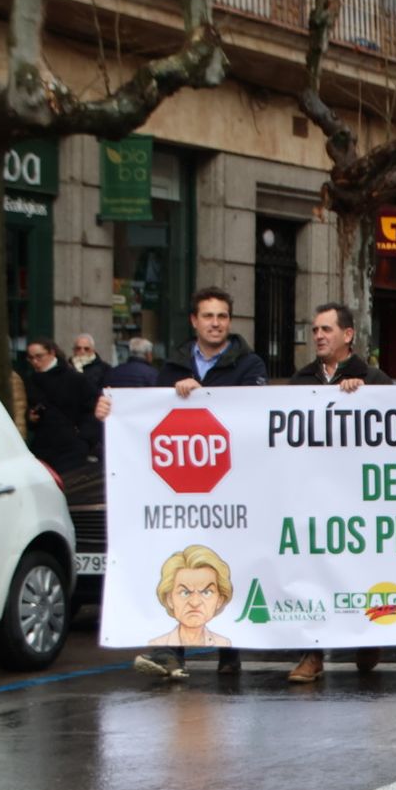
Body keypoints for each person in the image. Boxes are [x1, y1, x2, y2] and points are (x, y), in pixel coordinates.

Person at [98, 286, 267, 679]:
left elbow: (254, 414)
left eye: (222, 316)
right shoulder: (171, 368)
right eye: (208, 316)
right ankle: (173, 653)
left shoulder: (250, 364)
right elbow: (146, 415)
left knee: (226, 564)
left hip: (232, 482)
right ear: (195, 321)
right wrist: (113, 411)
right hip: (183, 483)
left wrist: (203, 394)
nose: (215, 323)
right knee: (180, 564)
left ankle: (230, 650)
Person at [286, 303, 393, 684]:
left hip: (359, 496)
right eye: (315, 330)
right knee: (314, 571)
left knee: (360, 570)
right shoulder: (300, 382)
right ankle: (312, 654)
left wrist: (362, 398)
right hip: (314, 495)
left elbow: (393, 433)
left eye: (326, 329)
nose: (318, 336)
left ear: (347, 335)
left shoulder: (375, 380)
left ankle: (368, 638)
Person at [147, 546, 236, 655]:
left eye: (206, 592)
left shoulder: (224, 644)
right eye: (185, 593)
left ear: (219, 600)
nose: (195, 602)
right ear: (169, 599)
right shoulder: (156, 645)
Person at [22, 338, 93, 472]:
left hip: (71, 447)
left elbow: (91, 409)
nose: (35, 362)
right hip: (44, 446)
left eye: (39, 356)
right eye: (30, 358)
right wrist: (30, 417)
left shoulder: (75, 379)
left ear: (52, 353)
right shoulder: (31, 380)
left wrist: (84, 438)